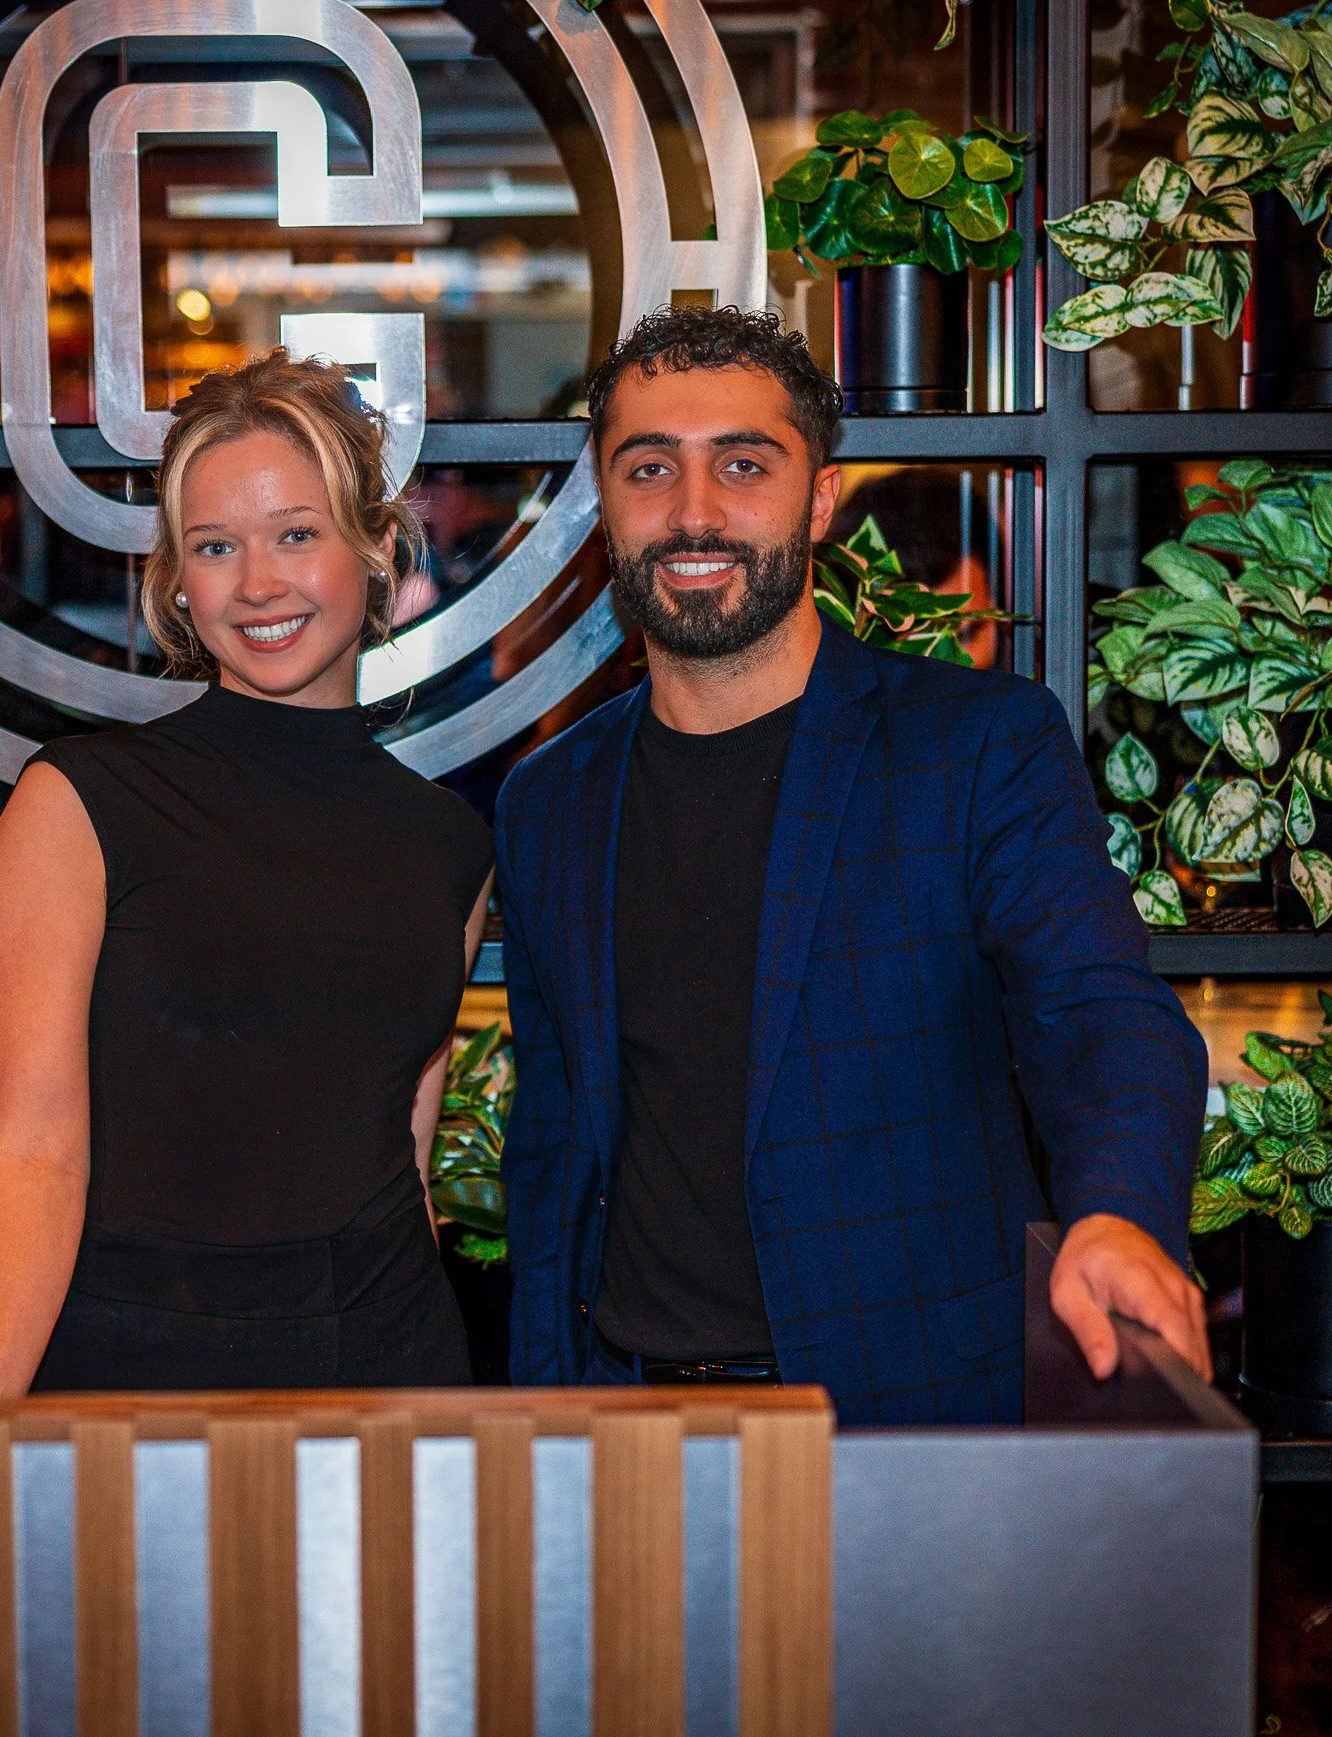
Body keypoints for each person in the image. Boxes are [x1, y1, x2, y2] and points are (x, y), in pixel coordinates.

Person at [493, 305, 1210, 1424]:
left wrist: (1115, 1214)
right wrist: (544, 1412)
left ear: (818, 498)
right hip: (625, 1424)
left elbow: (1098, 1012)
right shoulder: (549, 800)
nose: (693, 512)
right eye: (648, 467)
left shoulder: (976, 747)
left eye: (742, 464)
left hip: (907, 1419)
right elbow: (551, 1153)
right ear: (602, 499)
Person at [0, 353, 492, 1395]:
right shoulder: (77, 805)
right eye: (214, 546)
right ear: (177, 584)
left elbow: (403, 1157)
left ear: (375, 548)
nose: (257, 584)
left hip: (387, 1360)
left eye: (296, 533)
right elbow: (32, 1155)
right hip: (129, 1363)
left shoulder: (445, 844)